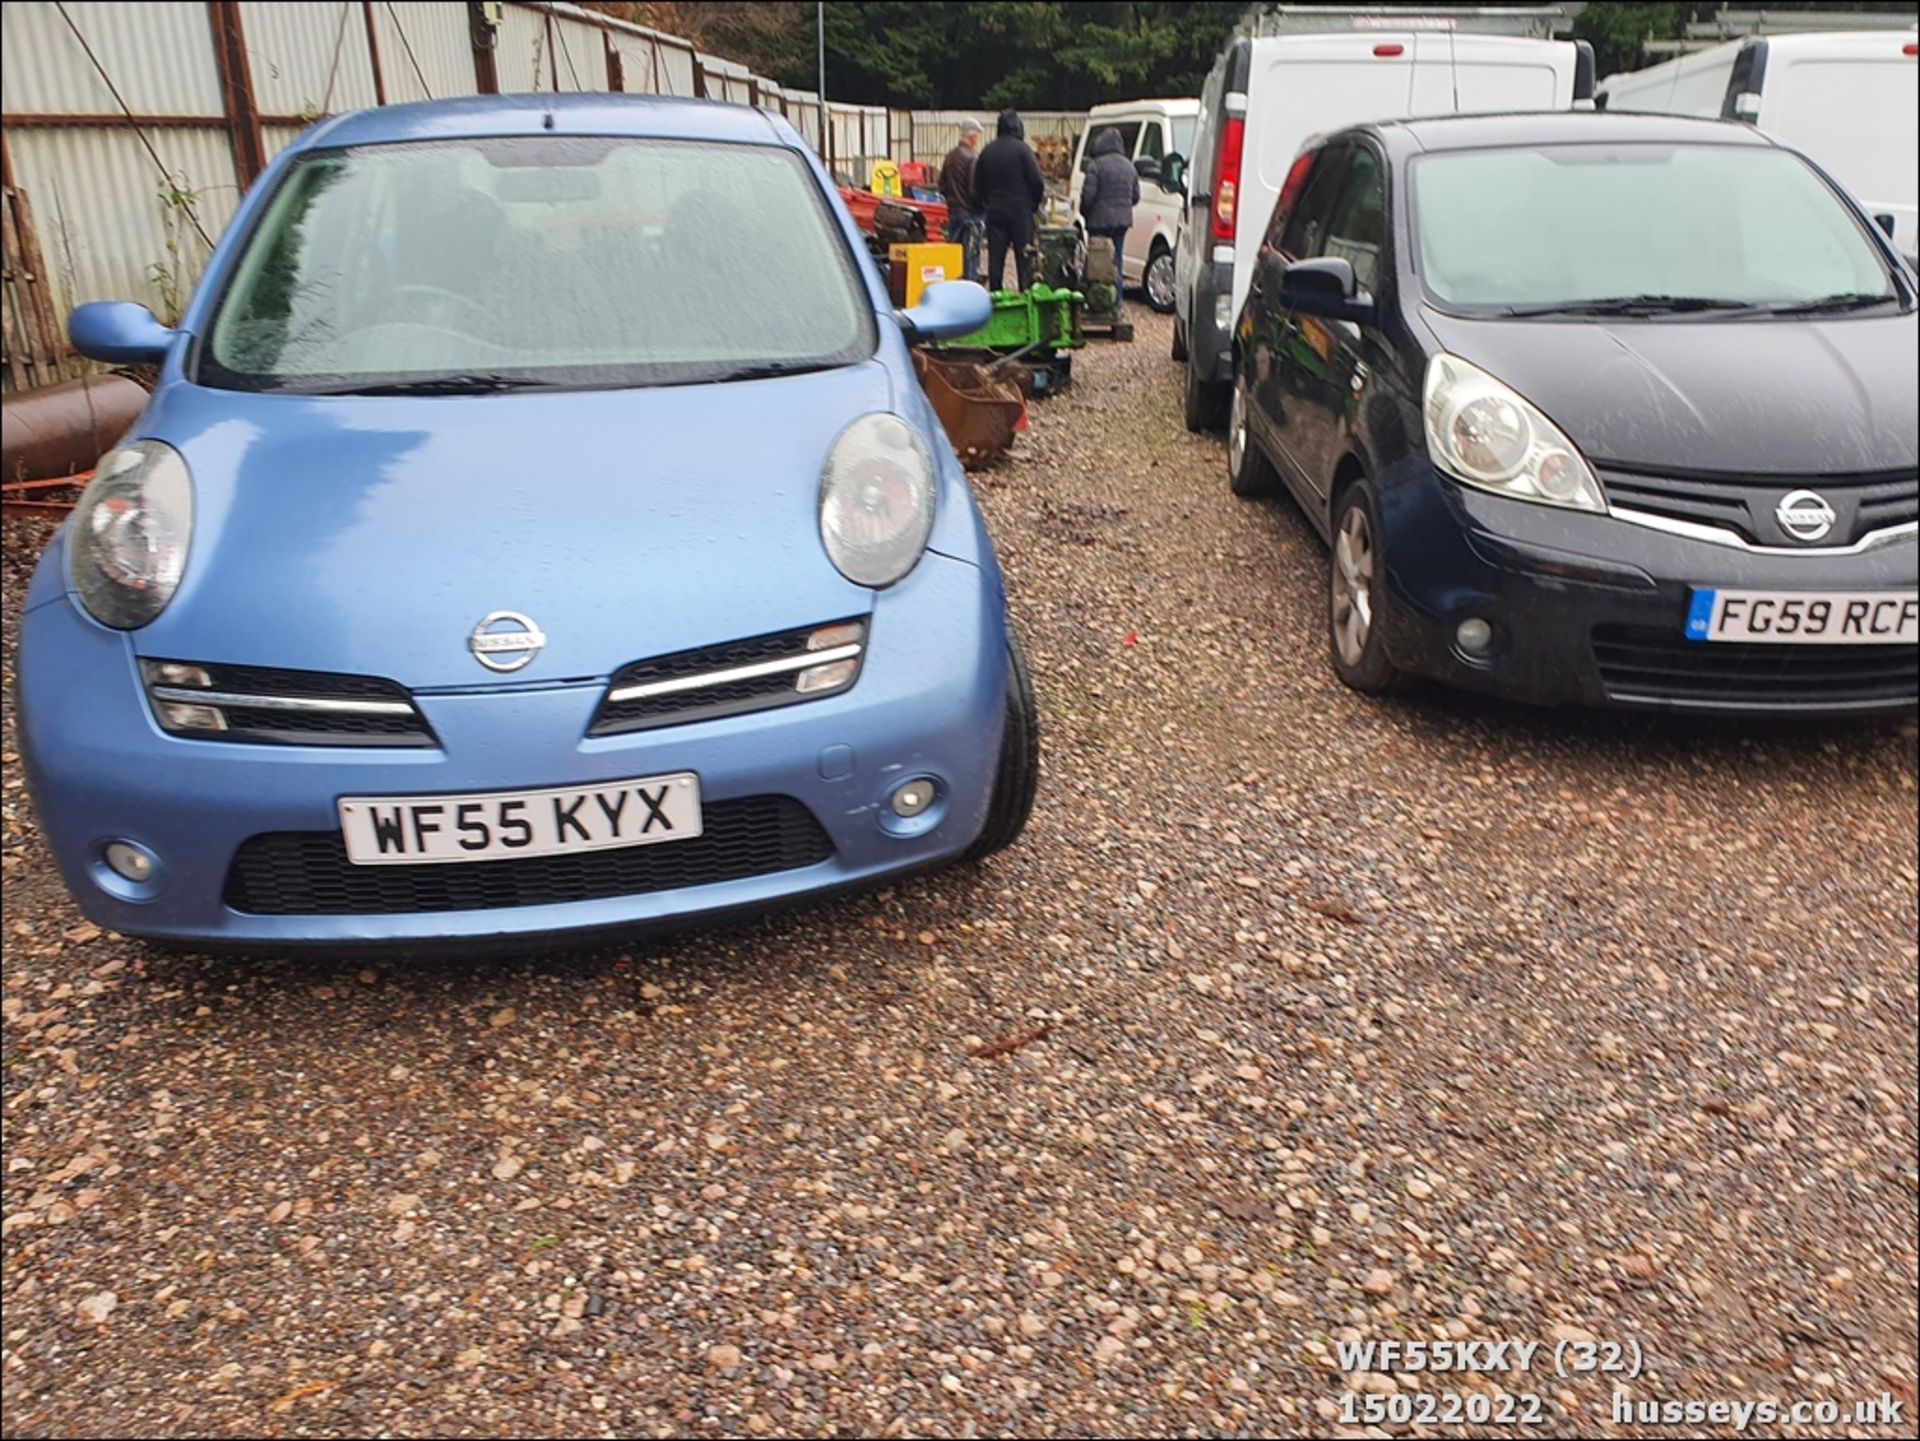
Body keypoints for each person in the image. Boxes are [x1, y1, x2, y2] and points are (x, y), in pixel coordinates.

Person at [973, 109, 1046, 291]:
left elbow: (976, 185)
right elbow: (1037, 182)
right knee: (1025, 260)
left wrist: (987, 203)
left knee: (996, 259)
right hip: (1021, 212)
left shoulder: (987, 151)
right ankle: (1025, 297)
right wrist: (1033, 205)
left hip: (995, 211)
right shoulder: (1023, 150)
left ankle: (996, 298)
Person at [1079, 127, 1139, 305]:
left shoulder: (1096, 165)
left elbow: (1088, 196)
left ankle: (1097, 301)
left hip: (1098, 222)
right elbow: (1135, 196)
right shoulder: (1129, 166)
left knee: (1097, 261)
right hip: (1122, 222)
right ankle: (1117, 301)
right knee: (1116, 261)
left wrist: (1084, 212)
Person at [938, 118, 985, 282]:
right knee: (971, 258)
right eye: (977, 137)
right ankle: (970, 288)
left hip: (954, 213)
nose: (977, 141)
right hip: (971, 215)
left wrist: (952, 200)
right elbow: (974, 190)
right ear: (972, 137)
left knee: (954, 256)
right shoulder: (972, 158)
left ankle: (953, 285)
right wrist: (983, 207)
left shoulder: (950, 156)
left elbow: (941, 185)